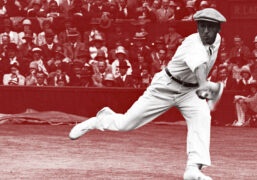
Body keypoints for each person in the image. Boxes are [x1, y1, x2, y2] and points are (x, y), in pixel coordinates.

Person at [69, 8, 226, 180]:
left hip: (190, 91)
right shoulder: (192, 44)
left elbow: (202, 68)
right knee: (125, 125)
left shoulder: (216, 40)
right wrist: (205, 85)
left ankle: (193, 169)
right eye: (202, 26)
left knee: (202, 118)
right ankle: (99, 120)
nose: (205, 31)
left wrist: (203, 86)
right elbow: (200, 67)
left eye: (210, 27)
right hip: (165, 87)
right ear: (197, 27)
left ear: (218, 29)